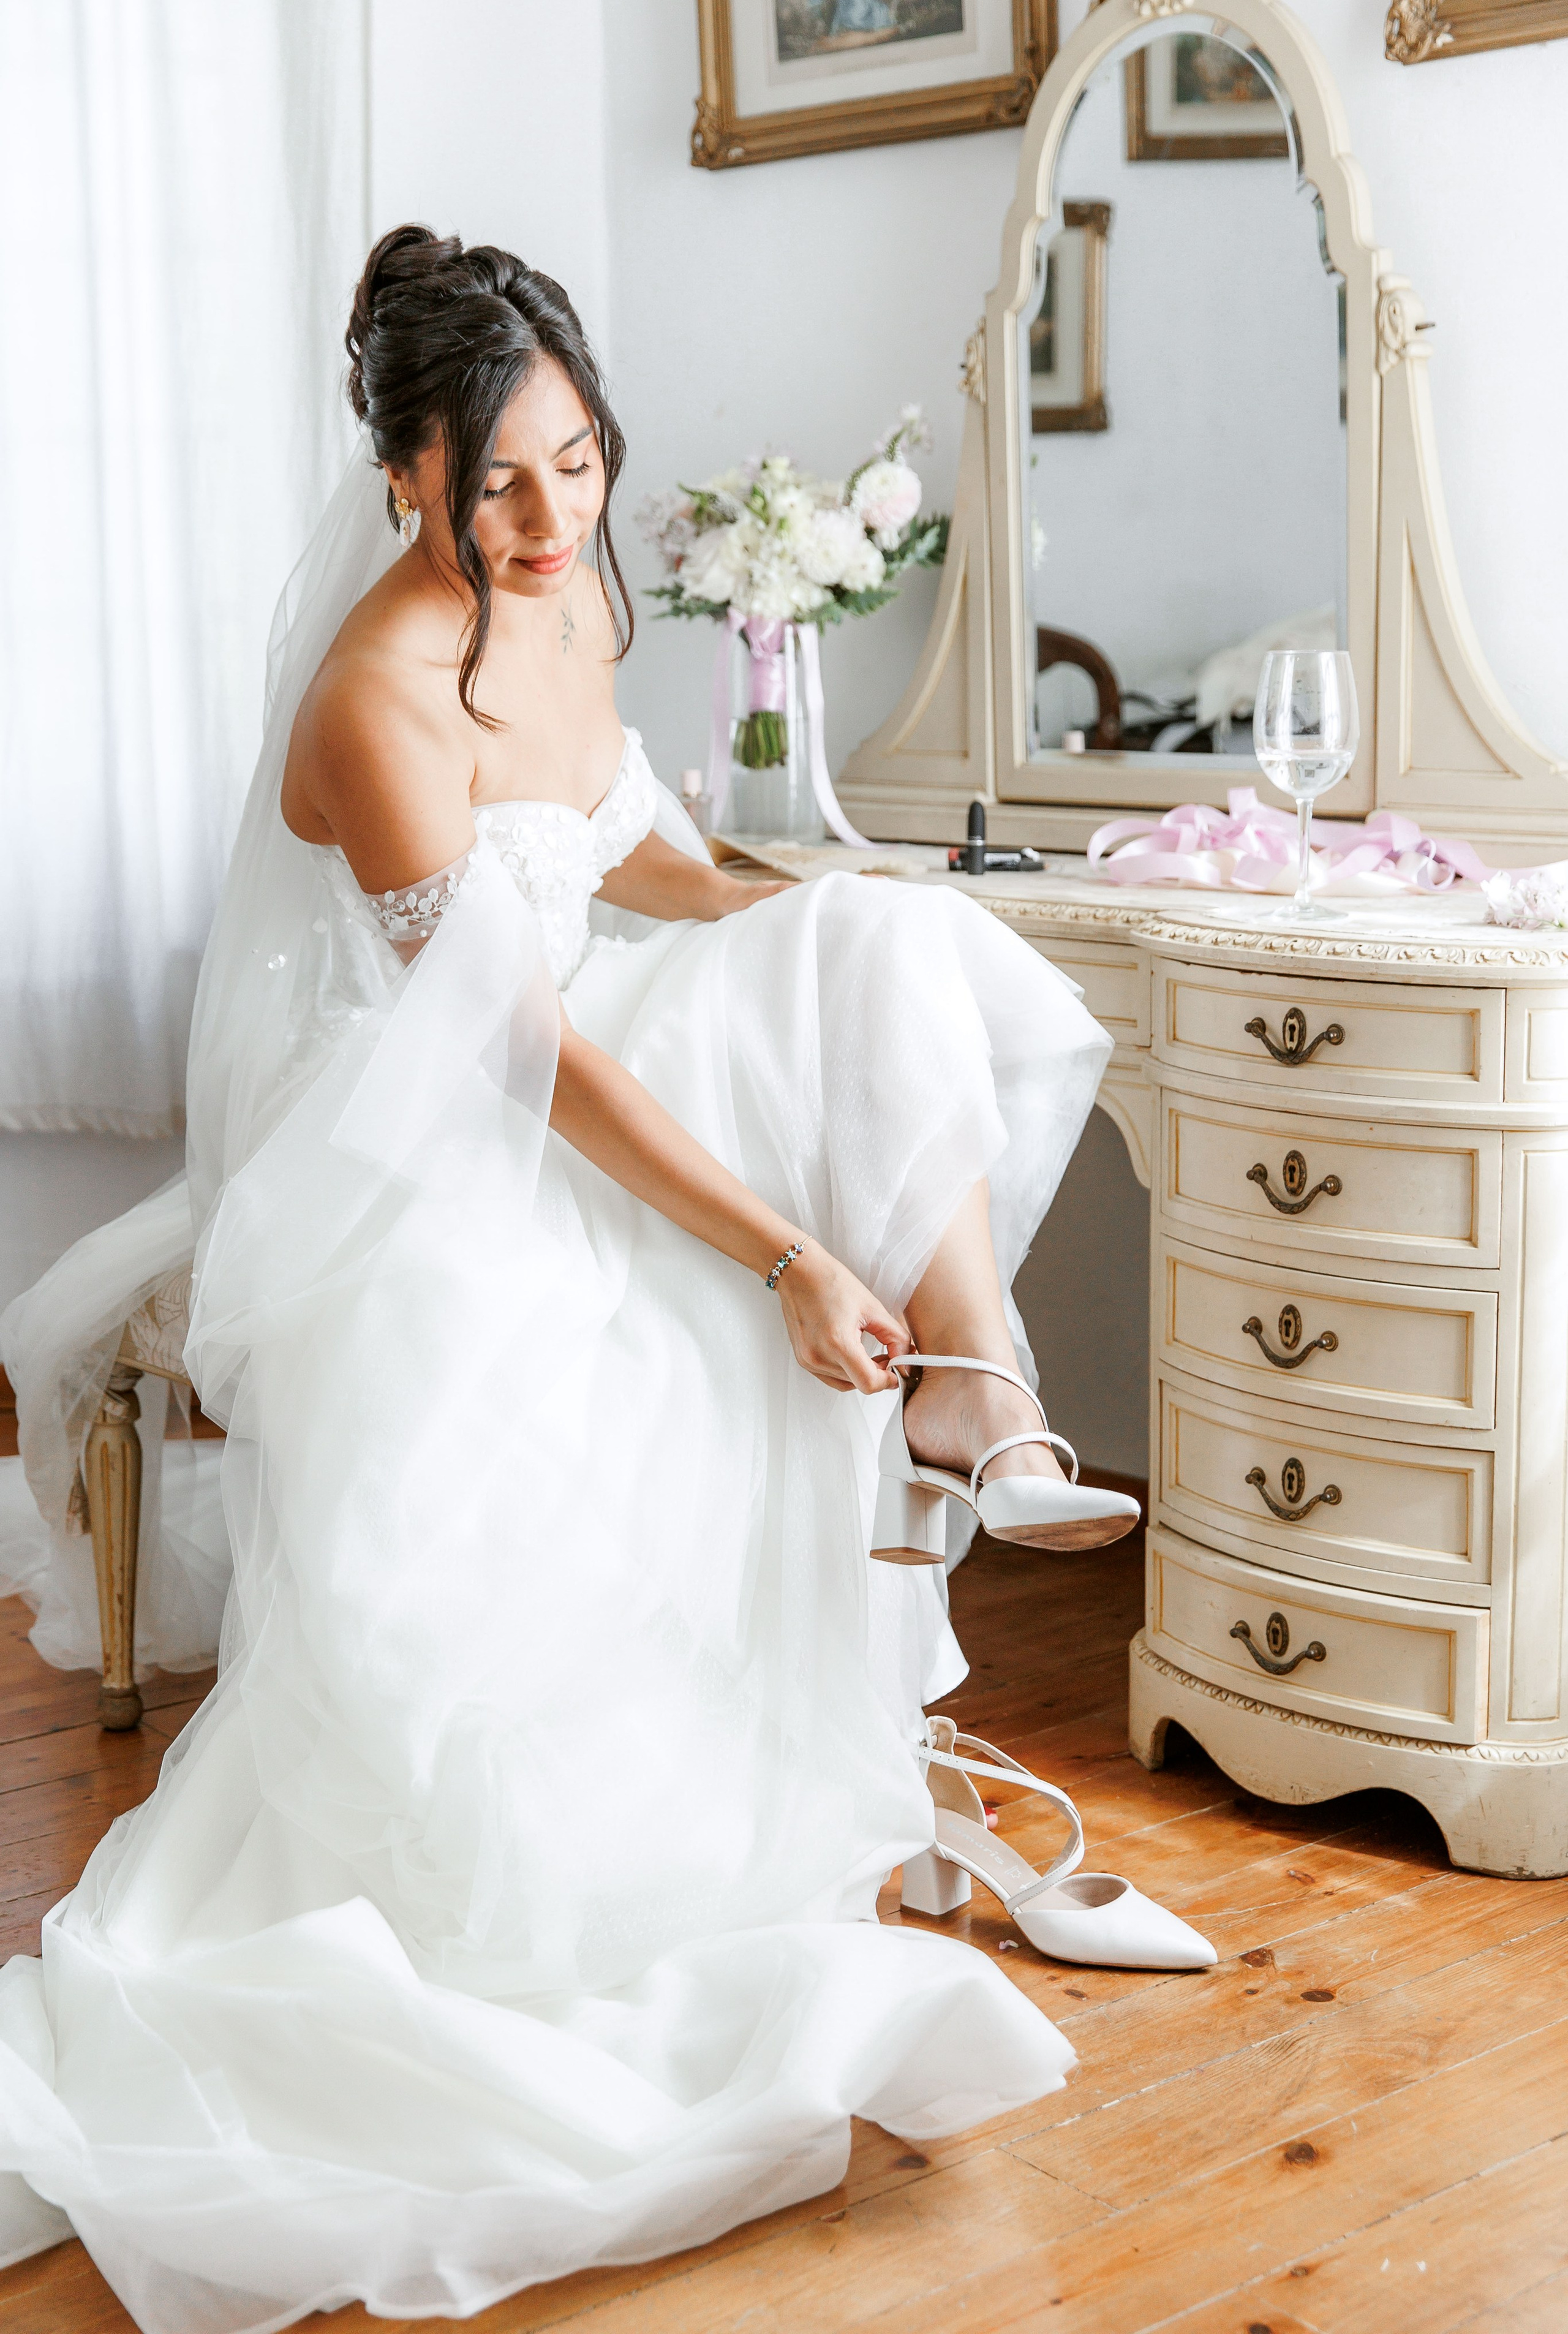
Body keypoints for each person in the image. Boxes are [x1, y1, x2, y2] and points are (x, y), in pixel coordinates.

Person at [0, 230, 1198, 2334]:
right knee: (705, 1219)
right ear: (407, 487)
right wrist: (796, 1247)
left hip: (588, 1041)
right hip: (448, 1147)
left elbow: (636, 849)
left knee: (886, 940)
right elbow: (522, 1056)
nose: (554, 524)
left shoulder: (573, 597)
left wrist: (803, 913)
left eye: (577, 463)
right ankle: (922, 1420)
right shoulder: (375, 699)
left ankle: (978, 1396)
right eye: (501, 489)